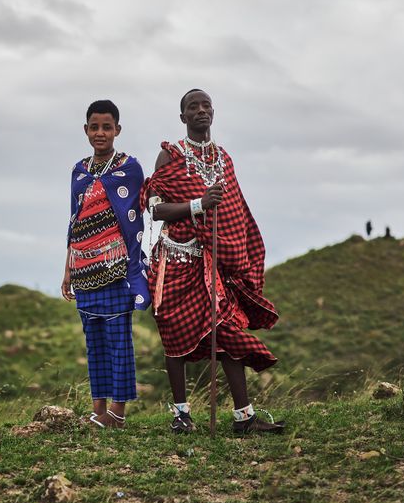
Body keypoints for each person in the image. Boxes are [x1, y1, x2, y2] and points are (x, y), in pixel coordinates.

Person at [142, 89, 283, 434]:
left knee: (227, 332)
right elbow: (155, 208)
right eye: (193, 107)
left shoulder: (224, 158)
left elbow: (236, 211)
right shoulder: (169, 156)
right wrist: (198, 204)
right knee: (174, 335)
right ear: (183, 117)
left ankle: (244, 418)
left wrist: (238, 250)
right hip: (176, 258)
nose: (201, 111)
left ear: (213, 113)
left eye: (206, 106)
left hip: (212, 262)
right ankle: (181, 416)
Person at [61, 100, 149, 429]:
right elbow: (74, 222)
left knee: (119, 341)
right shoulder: (79, 171)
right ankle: (98, 410)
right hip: (84, 269)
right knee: (94, 343)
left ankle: (117, 413)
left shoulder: (130, 168)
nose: (100, 133)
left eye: (107, 127)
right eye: (94, 127)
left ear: (117, 130)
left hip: (117, 270)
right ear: (86, 131)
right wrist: (68, 267)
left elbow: (143, 209)